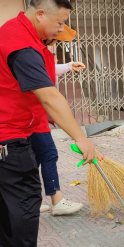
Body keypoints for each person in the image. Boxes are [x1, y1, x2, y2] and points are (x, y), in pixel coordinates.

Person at [0, 0, 97, 247]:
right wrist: (82, 138)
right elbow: (50, 97)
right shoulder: (23, 45)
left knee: (8, 192)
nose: (61, 30)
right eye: (59, 23)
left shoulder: (14, 30)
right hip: (2, 133)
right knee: (27, 195)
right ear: (40, 13)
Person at [31, 23, 87, 216]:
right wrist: (80, 137)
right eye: (56, 39)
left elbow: (49, 70)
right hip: (33, 115)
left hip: (34, 115)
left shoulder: (42, 52)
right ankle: (57, 200)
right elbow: (48, 92)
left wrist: (69, 66)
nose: (56, 43)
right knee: (48, 154)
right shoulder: (35, 51)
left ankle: (31, 201)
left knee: (34, 158)